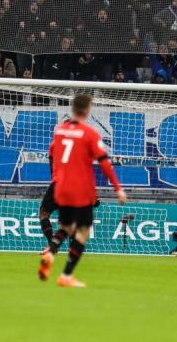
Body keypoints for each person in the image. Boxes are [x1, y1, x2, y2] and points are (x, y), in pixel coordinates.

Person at [38, 94, 127, 288]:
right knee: (82, 232)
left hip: (60, 187)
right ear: (87, 110)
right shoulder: (90, 134)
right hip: (80, 189)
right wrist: (118, 189)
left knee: (66, 227)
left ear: (72, 109)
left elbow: (55, 158)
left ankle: (51, 253)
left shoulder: (59, 132)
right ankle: (66, 276)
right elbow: (104, 163)